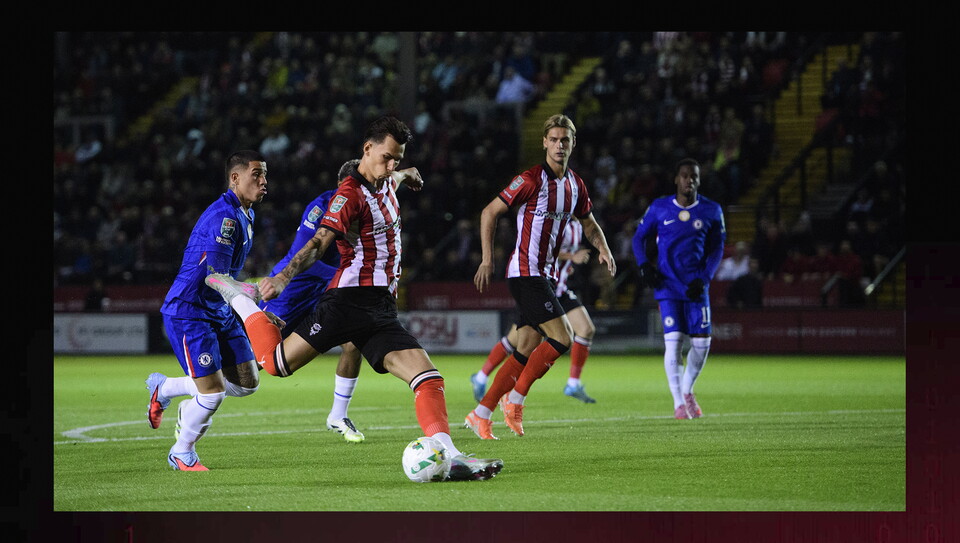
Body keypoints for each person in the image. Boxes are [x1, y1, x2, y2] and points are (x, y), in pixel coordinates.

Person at [205, 117, 502, 481]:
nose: (390, 165)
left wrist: (407, 173)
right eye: (387, 157)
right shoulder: (349, 194)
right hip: (347, 301)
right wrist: (283, 277)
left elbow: (394, 177)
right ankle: (239, 298)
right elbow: (319, 243)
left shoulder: (386, 180)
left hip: (380, 308)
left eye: (397, 158)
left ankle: (453, 457)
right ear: (367, 149)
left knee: (428, 378)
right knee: (275, 365)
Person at [465, 114, 616, 440]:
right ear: (545, 143)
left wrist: (604, 249)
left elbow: (588, 223)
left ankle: (481, 413)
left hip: (544, 276)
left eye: (566, 140)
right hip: (525, 272)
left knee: (525, 346)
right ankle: (515, 401)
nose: (560, 145)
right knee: (563, 336)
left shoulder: (575, 185)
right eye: (554, 139)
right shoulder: (530, 180)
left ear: (573, 144)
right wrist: (487, 259)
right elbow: (490, 211)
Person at [144, 150, 271, 471]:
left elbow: (223, 278)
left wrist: (250, 298)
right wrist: (252, 301)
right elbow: (215, 276)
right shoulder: (224, 219)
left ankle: (167, 387)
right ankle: (181, 452)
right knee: (212, 395)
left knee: (246, 383)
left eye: (265, 175)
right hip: (190, 312)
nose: (263, 181)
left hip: (218, 310)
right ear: (235, 178)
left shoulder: (246, 214)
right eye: (256, 174)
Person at [255, 159, 365, 443]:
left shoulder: (365, 208)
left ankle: (337, 415)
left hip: (327, 293)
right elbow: (304, 257)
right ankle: (174, 388)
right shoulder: (321, 207)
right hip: (292, 290)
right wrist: (350, 274)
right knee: (248, 368)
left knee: (354, 343)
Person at [632, 157, 726, 420]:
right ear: (676, 179)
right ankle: (678, 404)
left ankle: (687, 391)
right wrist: (644, 266)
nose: (690, 180)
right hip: (667, 284)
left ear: (699, 179)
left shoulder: (711, 210)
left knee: (702, 343)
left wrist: (705, 276)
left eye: (694, 176)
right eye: (685, 175)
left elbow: (718, 247)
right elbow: (639, 237)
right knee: (673, 343)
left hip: (696, 284)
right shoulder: (660, 207)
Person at [470, 218, 599, 404]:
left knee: (586, 329)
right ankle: (483, 379)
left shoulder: (577, 225)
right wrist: (571, 257)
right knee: (517, 341)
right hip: (539, 288)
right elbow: (542, 251)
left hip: (560, 288)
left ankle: (573, 383)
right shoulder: (554, 220)